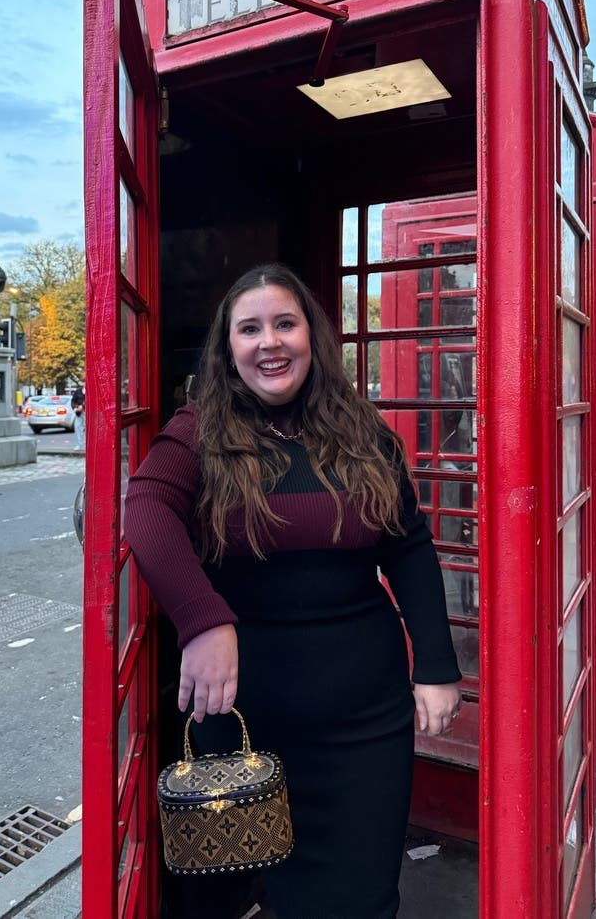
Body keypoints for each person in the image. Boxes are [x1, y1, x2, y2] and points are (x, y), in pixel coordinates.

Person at [123, 264, 461, 919]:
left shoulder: (362, 433)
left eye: (285, 323)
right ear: (228, 349)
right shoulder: (200, 432)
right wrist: (202, 621)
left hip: (364, 718)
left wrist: (439, 667)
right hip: (245, 715)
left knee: (360, 897)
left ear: (312, 336)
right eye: (250, 328)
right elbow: (145, 508)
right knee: (222, 890)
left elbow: (410, 544)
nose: (269, 341)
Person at [71, 383, 86, 449]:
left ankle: (86, 444)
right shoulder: (78, 391)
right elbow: (73, 401)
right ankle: (79, 444)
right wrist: (75, 407)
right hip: (79, 413)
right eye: (84, 382)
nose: (85, 383)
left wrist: (82, 406)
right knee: (77, 427)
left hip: (87, 413)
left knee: (87, 428)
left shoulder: (91, 391)